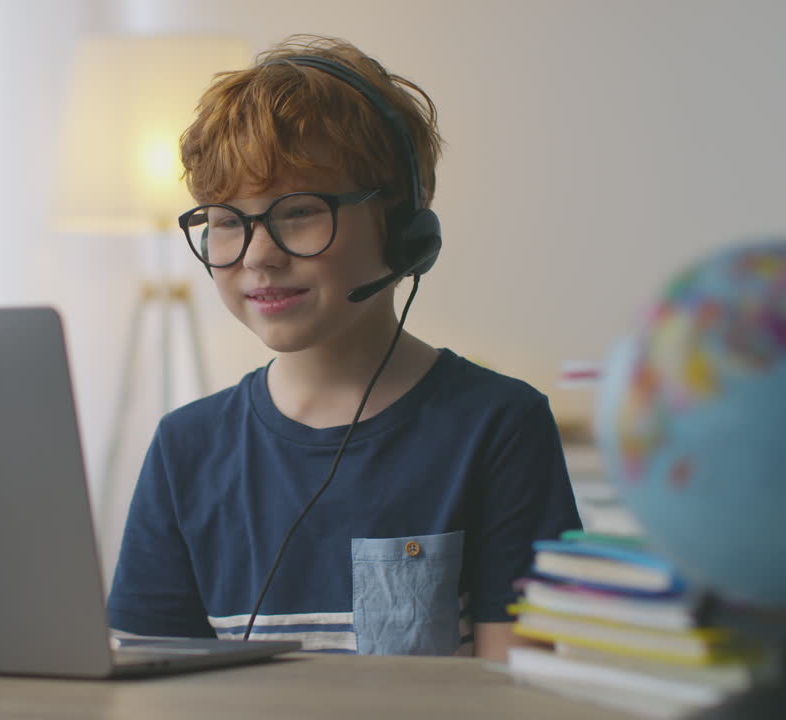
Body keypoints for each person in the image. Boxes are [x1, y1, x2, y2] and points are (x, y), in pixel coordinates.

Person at [106, 34, 581, 660]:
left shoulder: (499, 427)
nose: (257, 255)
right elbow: (147, 690)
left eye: (299, 212)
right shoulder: (184, 448)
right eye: (226, 221)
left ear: (402, 228)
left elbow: (522, 696)